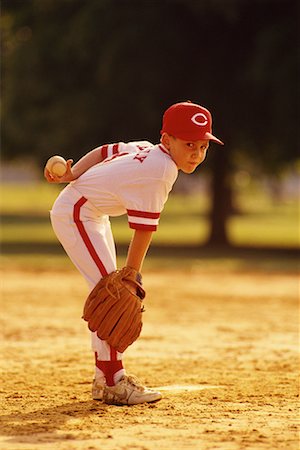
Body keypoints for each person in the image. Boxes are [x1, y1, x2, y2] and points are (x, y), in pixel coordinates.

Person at [44, 101, 223, 406]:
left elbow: (104, 152)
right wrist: (131, 277)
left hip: (88, 213)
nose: (196, 153)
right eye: (189, 143)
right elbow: (144, 229)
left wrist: (73, 172)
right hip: (77, 214)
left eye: (203, 146)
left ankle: (105, 381)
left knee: (109, 294)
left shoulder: (147, 149)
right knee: (113, 296)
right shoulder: (161, 169)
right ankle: (113, 382)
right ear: (167, 140)